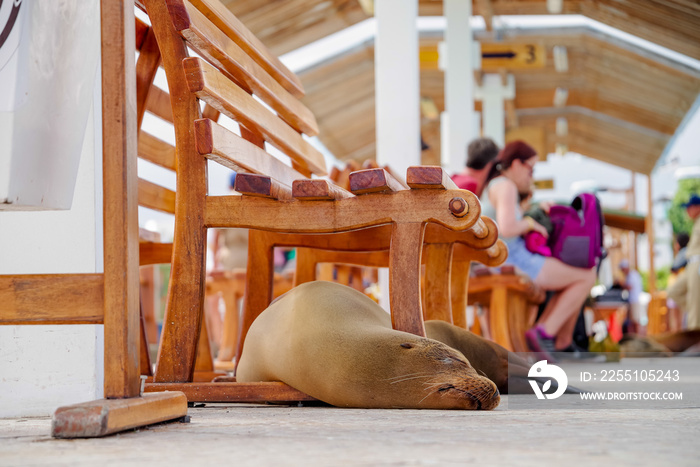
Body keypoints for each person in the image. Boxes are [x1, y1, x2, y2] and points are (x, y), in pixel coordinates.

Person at [480, 140, 597, 361]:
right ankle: (546, 334)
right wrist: (532, 224)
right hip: (514, 260)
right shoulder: (506, 186)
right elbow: (508, 227)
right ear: (516, 164)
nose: (531, 176)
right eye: (530, 169)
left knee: (574, 278)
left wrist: (532, 213)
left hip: (505, 259)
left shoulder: (496, 185)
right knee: (587, 275)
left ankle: (552, 337)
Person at [667, 194, 700, 329]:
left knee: (694, 310)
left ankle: (695, 339)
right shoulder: (696, 223)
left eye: (689, 207)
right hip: (691, 265)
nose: (687, 211)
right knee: (674, 292)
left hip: (697, 265)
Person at [618, 259, 644, 335]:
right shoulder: (630, 275)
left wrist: (620, 284)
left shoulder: (632, 275)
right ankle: (634, 336)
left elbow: (629, 287)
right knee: (632, 320)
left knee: (635, 320)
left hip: (634, 300)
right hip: (632, 300)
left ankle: (637, 336)